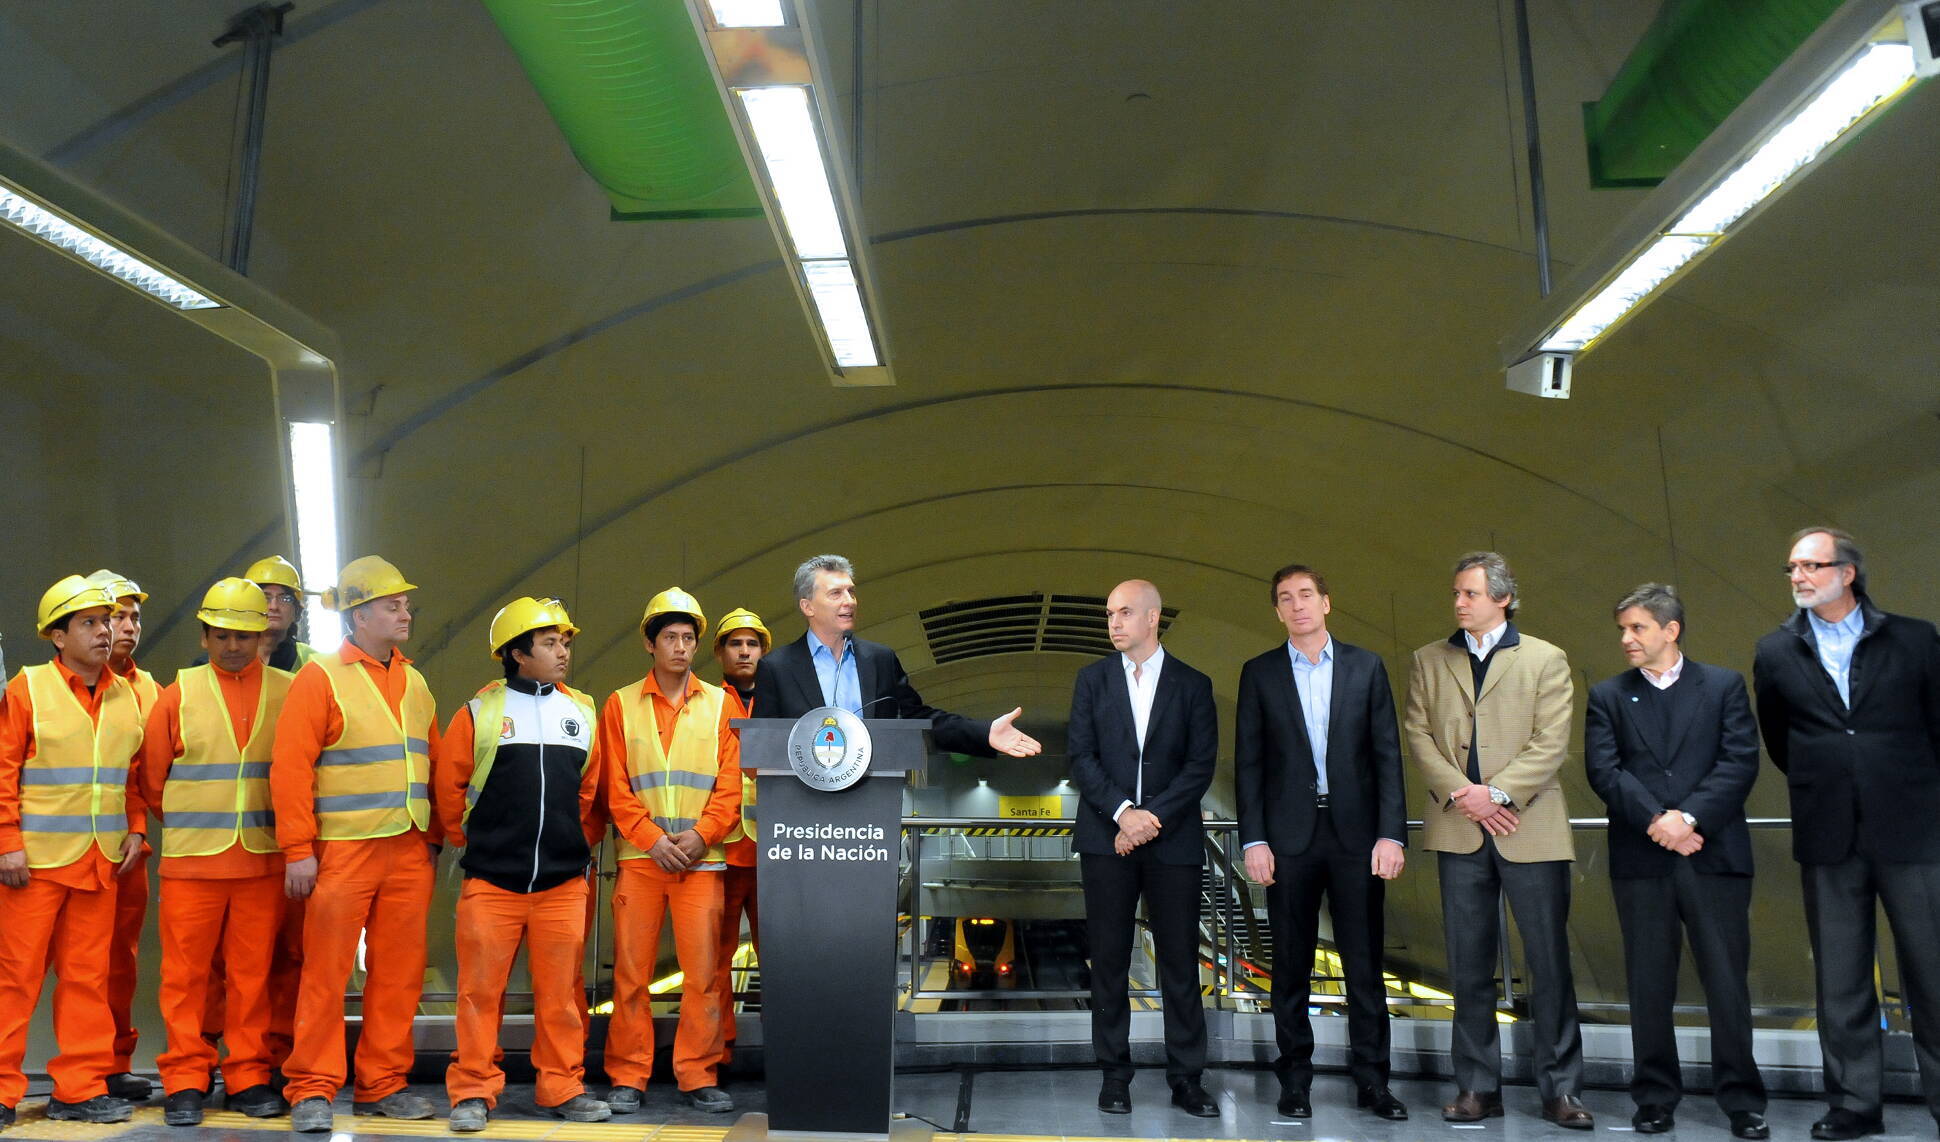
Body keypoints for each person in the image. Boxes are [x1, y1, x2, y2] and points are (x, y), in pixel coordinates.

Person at [1754, 526, 1940, 1141]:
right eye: (1792, 568)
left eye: (1812, 565)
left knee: (1933, 971)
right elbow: (1781, 740)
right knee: (1840, 977)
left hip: (1912, 830)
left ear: (1847, 572)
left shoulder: (1914, 639)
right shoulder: (1776, 651)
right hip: (1828, 831)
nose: (1799, 577)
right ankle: (1854, 1105)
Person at [1403, 552, 1589, 1128]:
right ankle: (1477, 1088)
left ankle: (1560, 1090)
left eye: (1470, 594)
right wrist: (1467, 795)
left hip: (1528, 828)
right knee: (1466, 966)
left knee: (1550, 962)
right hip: (1459, 827)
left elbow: (1551, 740)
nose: (1458, 602)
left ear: (1503, 598)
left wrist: (1499, 794)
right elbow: (1418, 733)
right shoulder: (1428, 660)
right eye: (1456, 593)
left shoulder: (1545, 658)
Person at [1585, 584, 1768, 1139]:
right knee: (1648, 984)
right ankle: (1655, 1098)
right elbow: (1605, 771)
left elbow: (1740, 762)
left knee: (1727, 983)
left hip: (1713, 857)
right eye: (1622, 629)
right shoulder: (1608, 695)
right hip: (1644, 860)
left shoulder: (1723, 686)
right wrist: (1659, 824)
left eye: (1637, 628)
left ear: (1671, 629)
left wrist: (1687, 819)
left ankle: (1742, 1101)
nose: (1626, 639)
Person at [270, 556, 442, 1132]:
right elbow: (291, 768)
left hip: (409, 850)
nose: (405, 614)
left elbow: (434, 764)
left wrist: (436, 838)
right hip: (343, 851)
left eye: (405, 605)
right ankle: (312, 1087)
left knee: (398, 976)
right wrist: (298, 850)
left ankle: (381, 1084)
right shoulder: (320, 677)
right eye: (393, 606)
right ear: (359, 614)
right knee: (326, 974)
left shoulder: (414, 681)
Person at [1235, 564, 1407, 1122]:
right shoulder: (1258, 674)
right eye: (1285, 598)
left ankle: (1374, 1083)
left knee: (1362, 964)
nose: (1298, 605)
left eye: (1307, 595)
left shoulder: (1366, 667)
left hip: (1357, 838)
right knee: (1290, 964)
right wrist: (1253, 840)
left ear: (1326, 603)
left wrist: (1391, 834)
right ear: (1278, 611)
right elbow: (1250, 765)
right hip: (1288, 840)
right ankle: (1296, 1079)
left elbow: (1387, 756)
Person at [434, 598, 607, 1131]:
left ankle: (562, 1087)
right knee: (479, 994)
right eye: (551, 644)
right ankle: (472, 1092)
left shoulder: (581, 710)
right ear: (515, 653)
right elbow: (449, 794)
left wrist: (567, 847)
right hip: (492, 882)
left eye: (566, 643)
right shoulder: (478, 713)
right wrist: (485, 847)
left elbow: (588, 794)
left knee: (561, 997)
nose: (563, 653)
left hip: (561, 883)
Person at [138, 579, 294, 1125]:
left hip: (260, 860)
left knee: (253, 975)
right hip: (193, 863)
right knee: (186, 977)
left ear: (261, 635)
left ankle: (249, 1074)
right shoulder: (177, 693)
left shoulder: (290, 690)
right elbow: (152, 778)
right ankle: (185, 1077)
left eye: (244, 635)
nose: (234, 645)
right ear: (205, 637)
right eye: (223, 635)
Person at [0, 576, 148, 1129]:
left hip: (99, 862)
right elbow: (3, 771)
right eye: (89, 623)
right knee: (16, 979)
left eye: (107, 621)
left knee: (88, 978)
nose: (105, 632)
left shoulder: (125, 694)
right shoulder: (27, 689)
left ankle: (79, 1087)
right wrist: (6, 843)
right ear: (56, 636)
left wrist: (136, 827)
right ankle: (3, 1089)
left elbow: (129, 775)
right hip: (32, 866)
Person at [1068, 580, 1218, 1118]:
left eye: (1125, 612)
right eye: (1110, 613)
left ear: (1153, 617)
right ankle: (1114, 1075)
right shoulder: (1091, 681)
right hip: (1106, 839)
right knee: (1108, 959)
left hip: (1172, 841)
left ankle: (1188, 1079)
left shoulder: (1193, 684)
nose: (1113, 622)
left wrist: (1149, 819)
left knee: (1180, 960)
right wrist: (1123, 814)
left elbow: (1200, 765)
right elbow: (1081, 757)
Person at [598, 589, 742, 1115]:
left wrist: (701, 835)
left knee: (703, 975)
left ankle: (698, 1072)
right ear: (649, 644)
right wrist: (652, 839)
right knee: (632, 974)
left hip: (700, 860)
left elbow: (729, 786)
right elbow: (614, 786)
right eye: (670, 638)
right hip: (642, 860)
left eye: (688, 638)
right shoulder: (619, 705)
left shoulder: (723, 705)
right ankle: (628, 1074)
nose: (680, 647)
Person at [749, 554, 1040, 759]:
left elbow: (918, 718)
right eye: (836, 593)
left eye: (851, 591)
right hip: (802, 812)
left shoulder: (879, 660)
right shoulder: (777, 668)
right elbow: (763, 745)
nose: (849, 601)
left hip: (871, 805)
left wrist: (984, 732)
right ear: (807, 606)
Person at [84, 569, 158, 1105]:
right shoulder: (44, 687)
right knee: (32, 971)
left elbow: (138, 776)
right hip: (52, 853)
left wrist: (137, 828)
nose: (126, 627)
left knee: (118, 963)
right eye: (115, 616)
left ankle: (110, 1065)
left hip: (124, 850)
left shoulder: (148, 689)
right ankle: (81, 1072)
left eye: (133, 616)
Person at [710, 607, 768, 1072]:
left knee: (782, 959)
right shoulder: (707, 702)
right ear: (721, 652)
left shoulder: (785, 700)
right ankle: (717, 1052)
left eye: (752, 644)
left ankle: (788, 1052)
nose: (745, 651)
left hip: (774, 853)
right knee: (714, 961)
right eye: (736, 644)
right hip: (722, 850)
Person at [244, 556, 318, 671]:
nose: (274, 607)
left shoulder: (312, 661)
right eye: (265, 598)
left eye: (285, 599)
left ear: (296, 611)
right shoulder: (231, 656)